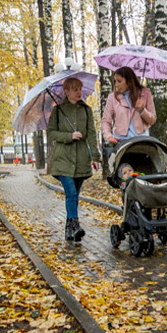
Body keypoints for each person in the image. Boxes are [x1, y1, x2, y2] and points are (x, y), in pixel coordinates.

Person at [47, 77, 100, 242]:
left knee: (75, 195)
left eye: (80, 89)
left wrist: (95, 156)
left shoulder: (87, 110)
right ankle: (75, 224)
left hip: (82, 158)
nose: (79, 92)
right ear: (66, 91)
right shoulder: (58, 111)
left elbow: (91, 134)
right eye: (75, 89)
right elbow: (51, 134)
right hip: (63, 158)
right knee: (70, 192)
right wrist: (69, 136)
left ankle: (69, 229)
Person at [101, 67, 157, 148]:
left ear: (129, 81)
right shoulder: (112, 97)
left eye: (119, 81)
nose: (116, 84)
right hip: (120, 142)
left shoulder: (145, 93)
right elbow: (106, 120)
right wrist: (108, 136)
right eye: (115, 81)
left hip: (142, 141)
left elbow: (152, 120)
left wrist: (142, 110)